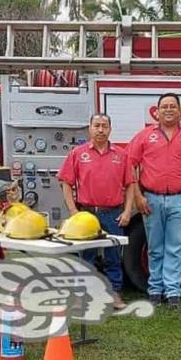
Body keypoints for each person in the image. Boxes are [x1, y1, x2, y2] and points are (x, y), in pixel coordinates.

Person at [127, 93, 181, 308]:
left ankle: (173, 294)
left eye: (173, 106)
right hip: (151, 199)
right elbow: (130, 166)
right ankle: (155, 291)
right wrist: (138, 197)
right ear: (157, 111)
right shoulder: (144, 136)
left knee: (176, 247)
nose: (169, 110)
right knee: (154, 248)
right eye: (164, 106)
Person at [59, 113, 135, 310]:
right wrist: (73, 210)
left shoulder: (122, 155)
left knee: (114, 255)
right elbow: (65, 182)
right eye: (97, 125)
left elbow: (131, 185)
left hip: (113, 213)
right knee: (85, 255)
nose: (100, 129)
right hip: (86, 214)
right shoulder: (78, 153)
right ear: (89, 128)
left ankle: (114, 294)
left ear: (110, 129)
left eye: (104, 126)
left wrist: (127, 212)